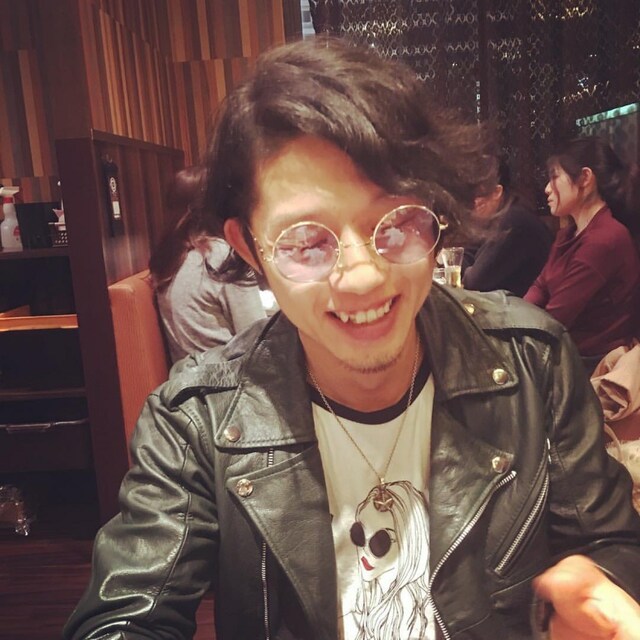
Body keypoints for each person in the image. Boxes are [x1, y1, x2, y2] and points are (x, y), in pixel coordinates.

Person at [64, 39, 640, 640]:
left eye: (396, 223)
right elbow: (125, 615)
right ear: (249, 248)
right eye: (306, 242)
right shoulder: (197, 419)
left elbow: (610, 543)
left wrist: (595, 592)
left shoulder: (532, 362)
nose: (363, 277)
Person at [524, 136, 640, 372]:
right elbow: (540, 287)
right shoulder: (569, 234)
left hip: (591, 365)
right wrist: (514, 318)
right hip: (566, 352)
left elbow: (557, 317)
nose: (547, 188)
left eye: (554, 177)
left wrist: (515, 327)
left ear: (585, 178)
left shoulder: (605, 240)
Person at [149, 166, 267, 363]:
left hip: (191, 376)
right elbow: (259, 340)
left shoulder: (170, 258)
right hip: (232, 376)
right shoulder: (221, 257)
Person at [462, 155, 553, 296]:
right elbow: (466, 256)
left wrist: (461, 268)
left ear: (497, 192)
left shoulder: (514, 221)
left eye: (476, 194)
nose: (471, 203)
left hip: (530, 308)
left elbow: (474, 281)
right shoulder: (497, 217)